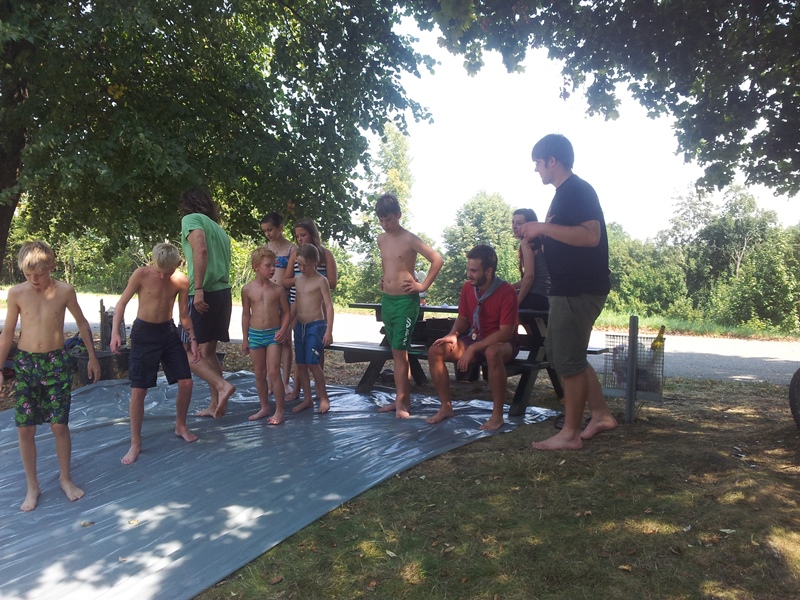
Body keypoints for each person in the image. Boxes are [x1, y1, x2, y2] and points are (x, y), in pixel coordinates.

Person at [522, 133, 617, 450]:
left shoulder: (577, 190)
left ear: (552, 160)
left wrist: (542, 228)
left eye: (537, 162)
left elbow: (591, 236)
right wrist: (542, 240)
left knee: (567, 359)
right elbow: (570, 237)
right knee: (566, 354)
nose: (536, 168)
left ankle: (570, 434)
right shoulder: (563, 195)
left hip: (578, 290)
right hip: (567, 288)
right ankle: (600, 414)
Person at [0, 240, 100, 511]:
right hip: (26, 364)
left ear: (51, 267)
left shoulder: (65, 291)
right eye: (28, 274)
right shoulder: (16, 293)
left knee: (59, 425)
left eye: (40, 273)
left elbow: (82, 323)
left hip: (56, 363)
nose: (34, 279)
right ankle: (32, 486)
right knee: (25, 428)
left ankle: (65, 478)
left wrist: (92, 357)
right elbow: (7, 333)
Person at [110, 243, 201, 465]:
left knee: (186, 382)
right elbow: (121, 304)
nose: (162, 276)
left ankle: (181, 426)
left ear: (177, 265)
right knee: (139, 390)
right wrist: (115, 333)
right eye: (159, 271)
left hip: (167, 333)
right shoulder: (141, 274)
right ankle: (135, 443)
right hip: (144, 333)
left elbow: (184, 315)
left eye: (167, 272)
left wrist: (193, 341)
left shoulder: (181, 280)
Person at [426, 244, 519, 431]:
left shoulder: (507, 291)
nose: (469, 274)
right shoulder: (468, 288)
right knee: (435, 350)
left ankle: (497, 415)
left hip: (503, 343)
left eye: (474, 271)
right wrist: (453, 334)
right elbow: (463, 319)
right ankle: (446, 407)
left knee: (492, 352)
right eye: (468, 269)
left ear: (489, 271)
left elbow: (505, 333)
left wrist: (474, 348)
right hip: (474, 338)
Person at [375, 193, 443, 418]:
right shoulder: (381, 239)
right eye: (381, 220)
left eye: (388, 219)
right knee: (395, 353)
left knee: (400, 351)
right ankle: (401, 400)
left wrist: (422, 286)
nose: (385, 224)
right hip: (388, 301)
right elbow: (388, 264)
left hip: (405, 302)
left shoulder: (410, 239)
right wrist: (384, 279)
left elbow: (437, 260)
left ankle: (403, 403)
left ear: (399, 215)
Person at [179, 187, 236, 418]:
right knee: (208, 352)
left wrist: (199, 288)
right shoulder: (219, 230)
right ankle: (216, 405)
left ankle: (222, 386)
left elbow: (200, 250)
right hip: (222, 293)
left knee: (185, 351)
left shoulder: (191, 219)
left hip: (203, 292)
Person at [284, 218, 338, 400]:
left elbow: (332, 285)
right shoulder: (296, 259)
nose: (299, 238)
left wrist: (314, 278)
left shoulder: (325, 256)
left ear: (312, 234)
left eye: (303, 235)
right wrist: (297, 280)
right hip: (298, 308)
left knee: (314, 358)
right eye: (297, 236)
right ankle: (301, 393)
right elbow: (286, 280)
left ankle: (321, 395)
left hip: (316, 311)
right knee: (300, 358)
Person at [241, 246, 292, 424]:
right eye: (268, 265)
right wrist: (245, 338)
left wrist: (283, 329)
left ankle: (280, 410)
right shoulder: (247, 289)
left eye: (274, 265)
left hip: (273, 335)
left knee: (273, 372)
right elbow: (246, 314)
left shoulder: (277, 290)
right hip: (255, 335)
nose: (272, 269)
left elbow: (286, 312)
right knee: (259, 373)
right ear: (256, 267)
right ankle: (264, 407)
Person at [291, 244, 334, 414]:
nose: (301, 268)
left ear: (315, 262)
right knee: (301, 364)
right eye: (299, 264)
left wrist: (329, 330)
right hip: (299, 326)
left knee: (313, 363)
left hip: (316, 325)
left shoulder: (321, 280)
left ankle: (323, 398)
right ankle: (307, 399)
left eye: (305, 265)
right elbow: (295, 304)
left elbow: (329, 306)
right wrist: (286, 324)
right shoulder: (297, 279)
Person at [261, 212, 296, 398]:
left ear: (280, 227)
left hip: (285, 296)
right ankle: (270, 381)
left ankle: (285, 381)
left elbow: (291, 275)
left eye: (270, 229)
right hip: (267, 297)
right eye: (265, 231)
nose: (267, 233)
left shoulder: (291, 249)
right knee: (270, 338)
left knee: (286, 339)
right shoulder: (264, 248)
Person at [512, 208, 550, 311]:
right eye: (513, 222)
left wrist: (517, 303)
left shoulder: (526, 242)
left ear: (530, 225)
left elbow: (529, 277)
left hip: (535, 297)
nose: (514, 226)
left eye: (519, 223)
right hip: (546, 297)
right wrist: (509, 287)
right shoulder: (541, 242)